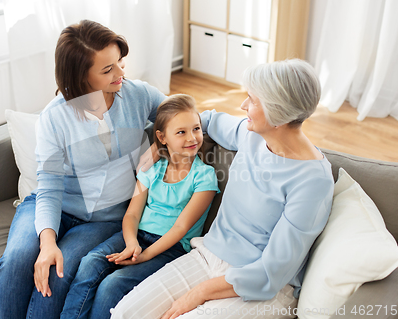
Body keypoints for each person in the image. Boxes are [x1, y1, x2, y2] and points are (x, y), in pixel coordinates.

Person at [111, 59, 335, 319]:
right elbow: (203, 120)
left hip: (263, 286)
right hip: (208, 255)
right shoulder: (251, 135)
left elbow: (272, 273)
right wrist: (156, 148)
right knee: (126, 313)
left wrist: (199, 293)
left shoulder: (312, 182)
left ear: (278, 113)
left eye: (252, 100)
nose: (243, 106)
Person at [0, 20, 168, 319]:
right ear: (79, 77)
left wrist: (159, 146)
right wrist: (47, 241)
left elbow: (184, 117)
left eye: (119, 63)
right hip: (54, 205)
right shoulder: (54, 118)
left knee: (58, 274)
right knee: (16, 260)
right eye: (107, 70)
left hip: (103, 219)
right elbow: (49, 185)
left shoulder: (138, 95)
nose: (121, 74)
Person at [60, 94, 220, 319]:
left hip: (170, 249)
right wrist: (132, 243)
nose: (192, 137)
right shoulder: (151, 169)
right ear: (162, 137)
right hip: (137, 236)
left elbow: (180, 228)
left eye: (196, 129)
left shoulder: (204, 177)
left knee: (112, 285)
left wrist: (145, 255)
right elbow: (132, 214)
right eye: (181, 132)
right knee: (90, 263)